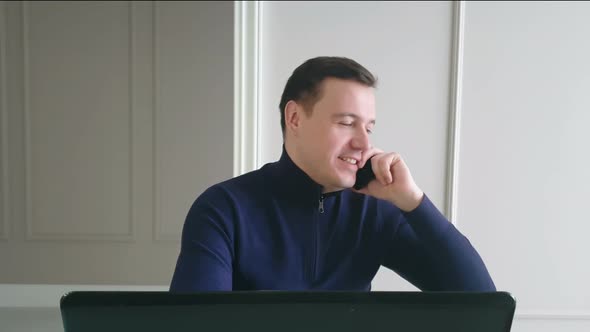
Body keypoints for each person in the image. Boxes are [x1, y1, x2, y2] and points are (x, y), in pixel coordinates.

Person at [170, 56, 496, 292]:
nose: (364, 142)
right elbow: (195, 324)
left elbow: (480, 299)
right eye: (346, 122)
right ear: (295, 118)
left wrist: (413, 202)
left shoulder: (376, 212)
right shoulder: (223, 209)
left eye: (368, 127)